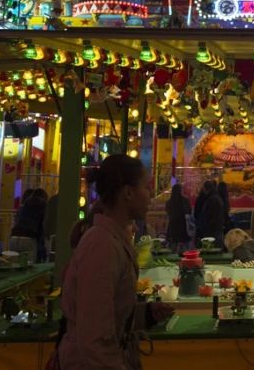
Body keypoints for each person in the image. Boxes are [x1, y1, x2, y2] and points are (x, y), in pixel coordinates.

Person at [57, 155, 173, 369]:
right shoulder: (102, 246)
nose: (150, 196)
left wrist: (143, 314)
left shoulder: (113, 240)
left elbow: (108, 315)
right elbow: (95, 337)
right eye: (146, 188)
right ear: (128, 193)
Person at [10, 188, 46, 263]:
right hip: (30, 237)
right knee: (30, 267)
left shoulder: (24, 206)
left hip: (14, 236)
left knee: (15, 265)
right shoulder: (42, 206)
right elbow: (42, 227)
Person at [165, 183, 191, 253]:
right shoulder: (185, 201)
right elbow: (189, 211)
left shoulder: (169, 202)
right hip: (183, 226)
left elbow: (168, 213)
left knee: (173, 248)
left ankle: (172, 259)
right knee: (185, 248)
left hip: (173, 226)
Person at [201, 181, 225, 248]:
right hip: (218, 229)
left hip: (212, 231)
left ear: (206, 189)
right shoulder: (217, 198)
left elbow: (209, 216)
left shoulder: (211, 199)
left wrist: (205, 226)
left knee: (211, 249)